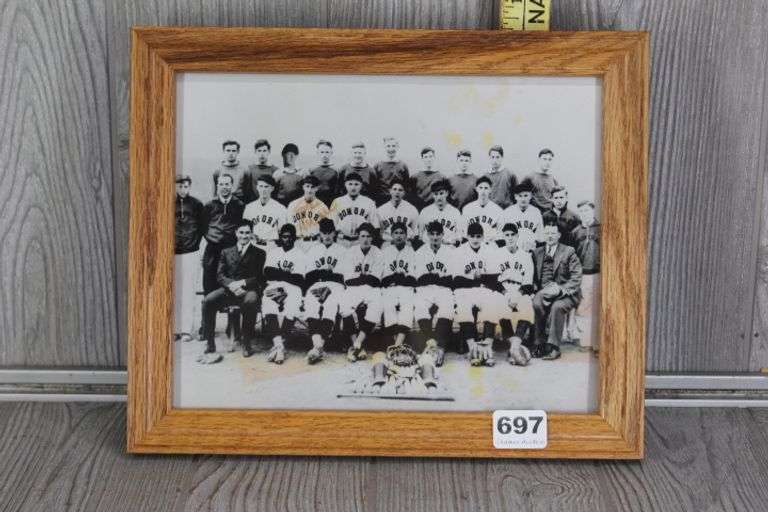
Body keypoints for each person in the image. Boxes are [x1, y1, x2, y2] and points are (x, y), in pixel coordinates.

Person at [200, 220, 266, 360]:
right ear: (236, 233)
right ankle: (210, 343)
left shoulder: (259, 253)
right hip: (229, 290)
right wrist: (232, 285)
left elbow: (258, 277)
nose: (244, 236)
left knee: (251, 301)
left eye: (247, 233)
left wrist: (241, 283)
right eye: (241, 232)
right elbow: (220, 275)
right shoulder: (226, 251)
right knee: (208, 301)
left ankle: (246, 342)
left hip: (248, 291)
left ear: (251, 234)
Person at [452, 223, 503, 367]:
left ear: (483, 237)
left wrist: (480, 279)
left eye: (478, 236)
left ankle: (488, 348)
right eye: (472, 236)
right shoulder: (459, 251)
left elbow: (494, 278)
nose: (475, 239)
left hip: (483, 289)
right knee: (463, 306)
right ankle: (472, 347)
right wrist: (477, 279)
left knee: (491, 303)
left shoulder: (489, 250)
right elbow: (456, 280)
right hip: (464, 290)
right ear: (467, 236)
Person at [532, 218, 583, 360]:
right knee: (536, 302)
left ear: (559, 235)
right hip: (545, 291)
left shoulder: (568, 251)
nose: (549, 236)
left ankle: (554, 347)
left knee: (557, 307)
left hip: (566, 294)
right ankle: (539, 343)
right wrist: (534, 288)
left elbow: (576, 277)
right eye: (547, 233)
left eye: (553, 233)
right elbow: (534, 276)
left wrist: (560, 289)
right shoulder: (537, 252)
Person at [302, 218, 346, 364]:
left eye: (330, 232)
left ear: (334, 233)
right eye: (324, 232)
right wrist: (324, 274)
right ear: (320, 234)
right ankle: (318, 344)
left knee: (330, 304)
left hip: (335, 286)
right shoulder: (314, 250)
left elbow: (341, 276)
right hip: (317, 285)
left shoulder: (341, 250)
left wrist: (322, 273)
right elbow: (309, 275)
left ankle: (318, 345)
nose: (327, 236)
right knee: (311, 303)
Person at [412, 221, 455, 366]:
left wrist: (433, 277)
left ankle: (440, 346)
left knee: (447, 307)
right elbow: (419, 279)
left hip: (443, 289)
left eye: (438, 234)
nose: (435, 237)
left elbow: (451, 279)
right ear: (427, 235)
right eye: (432, 234)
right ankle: (431, 343)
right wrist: (436, 277)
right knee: (420, 306)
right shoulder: (420, 252)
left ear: (443, 235)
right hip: (425, 289)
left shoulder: (450, 251)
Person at [339, 223, 383, 362]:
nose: (365, 239)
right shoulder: (350, 252)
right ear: (358, 237)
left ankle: (358, 342)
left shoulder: (378, 252)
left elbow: (376, 280)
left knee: (377, 305)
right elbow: (348, 280)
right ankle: (357, 345)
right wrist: (365, 278)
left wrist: (360, 278)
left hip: (371, 289)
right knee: (345, 306)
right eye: (362, 236)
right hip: (353, 289)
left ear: (373, 237)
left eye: (368, 236)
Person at [262, 224, 305, 364]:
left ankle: (278, 347)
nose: (287, 239)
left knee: (292, 306)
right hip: (274, 285)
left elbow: (299, 279)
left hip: (293, 287)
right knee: (268, 303)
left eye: (290, 237)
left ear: (295, 238)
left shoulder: (300, 253)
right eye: (284, 236)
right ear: (280, 238)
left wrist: (279, 273)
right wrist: (287, 275)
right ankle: (279, 344)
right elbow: (268, 272)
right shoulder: (274, 252)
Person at [494, 223, 536, 366]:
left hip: (520, 289)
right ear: (503, 236)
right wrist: (505, 294)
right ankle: (515, 347)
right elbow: (493, 280)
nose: (510, 238)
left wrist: (518, 295)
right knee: (499, 306)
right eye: (507, 235)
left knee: (527, 305)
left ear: (517, 236)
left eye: (513, 235)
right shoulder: (497, 253)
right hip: (502, 289)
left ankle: (514, 346)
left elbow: (529, 281)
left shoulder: (525, 256)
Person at [200, 174, 245, 296]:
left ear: (232, 186)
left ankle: (232, 312)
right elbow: (203, 226)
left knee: (230, 277)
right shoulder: (209, 205)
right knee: (209, 276)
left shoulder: (239, 205)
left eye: (227, 184)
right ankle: (209, 307)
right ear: (217, 186)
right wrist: (212, 238)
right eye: (221, 184)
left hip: (230, 247)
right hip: (213, 247)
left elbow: (240, 225)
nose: (224, 187)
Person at [174, 174, 204, 342]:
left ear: (189, 187)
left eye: (186, 186)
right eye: (180, 186)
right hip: (173, 253)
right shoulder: (168, 202)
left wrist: (194, 244)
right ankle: (175, 329)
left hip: (191, 253)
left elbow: (201, 228)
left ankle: (186, 330)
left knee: (188, 291)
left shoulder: (196, 204)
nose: (183, 190)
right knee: (175, 290)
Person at [570, 200, 601, 349]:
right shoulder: (576, 232)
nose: (584, 214)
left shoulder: (601, 229)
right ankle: (586, 339)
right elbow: (573, 255)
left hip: (599, 273)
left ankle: (598, 342)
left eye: (587, 211)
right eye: (581, 211)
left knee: (599, 306)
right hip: (583, 274)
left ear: (593, 212)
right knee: (583, 306)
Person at [381, 222, 417, 347]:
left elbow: (413, 279)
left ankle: (397, 344)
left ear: (406, 236)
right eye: (396, 233)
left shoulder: (412, 252)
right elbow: (383, 280)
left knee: (407, 306)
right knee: (388, 305)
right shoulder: (385, 252)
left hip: (406, 288)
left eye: (402, 233)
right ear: (391, 235)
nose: (399, 236)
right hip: (390, 288)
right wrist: (399, 276)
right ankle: (398, 344)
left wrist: (395, 278)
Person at [329, 172, 379, 247]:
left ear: (361, 185)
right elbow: (332, 225)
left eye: (356, 184)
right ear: (345, 185)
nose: (353, 187)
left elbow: (375, 225)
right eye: (350, 184)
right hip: (342, 241)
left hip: (360, 242)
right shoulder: (337, 202)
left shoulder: (369, 202)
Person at [242, 175, 288, 250]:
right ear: (257, 187)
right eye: (261, 186)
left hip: (271, 245)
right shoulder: (249, 207)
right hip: (253, 245)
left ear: (272, 188)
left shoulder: (280, 208)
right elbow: (245, 229)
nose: (263, 190)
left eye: (266, 187)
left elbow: (282, 231)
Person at [287, 175, 330, 250]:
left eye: (313, 187)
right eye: (307, 186)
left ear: (317, 188)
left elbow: (326, 230)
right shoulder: (293, 205)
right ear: (303, 187)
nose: (309, 190)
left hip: (315, 242)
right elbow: (289, 226)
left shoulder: (323, 207)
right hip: (298, 242)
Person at [417, 179, 464, 247]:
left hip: (449, 249)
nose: (439, 197)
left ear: (447, 193)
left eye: (441, 193)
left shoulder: (455, 212)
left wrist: (449, 241)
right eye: (436, 194)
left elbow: (459, 237)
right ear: (432, 195)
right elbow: (420, 235)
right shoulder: (425, 211)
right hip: (430, 249)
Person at [462, 175, 505, 245]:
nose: (483, 191)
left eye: (486, 188)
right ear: (476, 189)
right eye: (481, 188)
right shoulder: (467, 208)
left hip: (490, 245)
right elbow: (463, 231)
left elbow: (501, 233)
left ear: (490, 189)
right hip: (472, 245)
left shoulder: (498, 210)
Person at [501, 180, 543, 252]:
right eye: (520, 196)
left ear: (530, 196)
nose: (523, 199)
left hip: (531, 249)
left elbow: (540, 235)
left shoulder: (536, 212)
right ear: (515, 197)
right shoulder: (508, 212)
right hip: (513, 250)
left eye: (526, 195)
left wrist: (534, 242)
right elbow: (501, 235)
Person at [377, 178, 419, 246]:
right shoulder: (380, 210)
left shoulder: (412, 209)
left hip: (406, 243)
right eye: (394, 189)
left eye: (400, 190)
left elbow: (415, 233)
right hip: (388, 243)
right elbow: (378, 234)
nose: (397, 192)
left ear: (404, 193)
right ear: (390, 191)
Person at [239, 139, 279, 204]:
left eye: (264, 151)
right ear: (255, 152)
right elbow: (246, 191)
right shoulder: (249, 170)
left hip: (269, 205)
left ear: (269, 152)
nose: (262, 154)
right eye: (259, 151)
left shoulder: (275, 170)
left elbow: (276, 192)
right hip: (253, 205)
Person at [374, 136, 410, 205]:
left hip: (398, 200)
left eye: (393, 146)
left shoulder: (403, 166)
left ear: (397, 147)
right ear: (384, 147)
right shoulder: (378, 166)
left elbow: (406, 187)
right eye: (388, 146)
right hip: (382, 200)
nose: (391, 149)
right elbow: (374, 187)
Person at [409, 146, 445, 210]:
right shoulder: (414, 177)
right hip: (419, 210)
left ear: (434, 158)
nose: (428, 159)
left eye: (431, 156)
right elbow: (410, 197)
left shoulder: (441, 177)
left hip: (435, 210)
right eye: (426, 157)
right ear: (422, 158)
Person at [308, 139, 339, 207]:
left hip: (331, 205)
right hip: (315, 205)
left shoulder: (336, 170)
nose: (324, 155)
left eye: (327, 152)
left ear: (331, 153)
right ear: (317, 153)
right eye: (322, 152)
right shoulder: (311, 170)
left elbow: (339, 191)